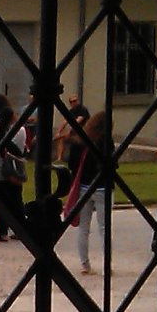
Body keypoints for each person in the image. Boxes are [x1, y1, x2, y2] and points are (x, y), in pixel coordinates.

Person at [67, 110, 113, 275]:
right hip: (103, 186)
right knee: (104, 227)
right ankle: (107, 264)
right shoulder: (106, 141)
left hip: (84, 187)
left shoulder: (80, 141)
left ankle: (85, 264)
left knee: (83, 227)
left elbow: (71, 164)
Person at [0, 92, 27, 240]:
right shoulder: (21, 130)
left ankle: (2, 232)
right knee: (17, 200)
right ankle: (21, 229)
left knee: (2, 202)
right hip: (16, 168)